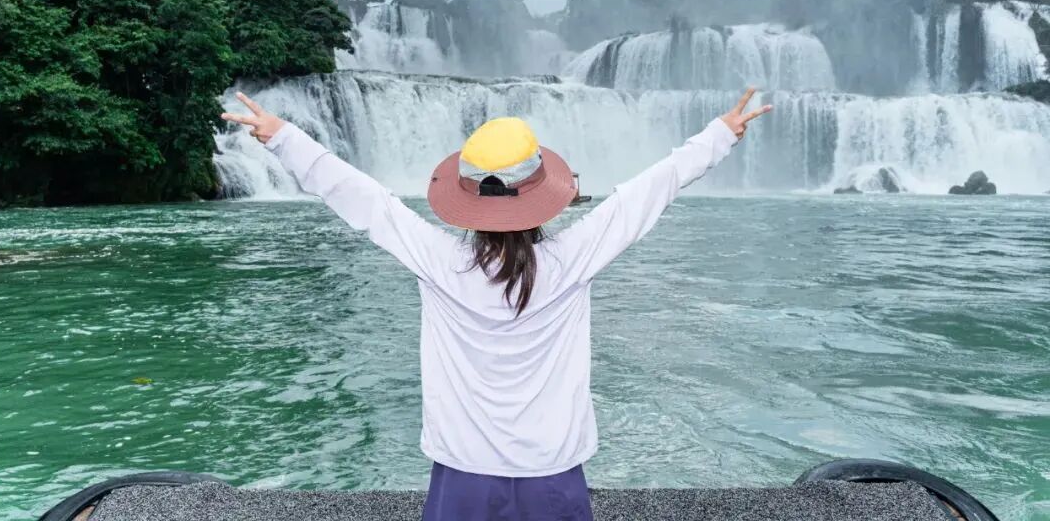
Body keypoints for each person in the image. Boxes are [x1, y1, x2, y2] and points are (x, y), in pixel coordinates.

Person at [221, 88, 772, 521]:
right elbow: (647, 193)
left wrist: (283, 137)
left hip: (462, 473)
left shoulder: (439, 260)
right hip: (552, 471)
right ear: (542, 195)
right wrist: (719, 135)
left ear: (464, 198)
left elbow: (364, 199)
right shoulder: (573, 257)